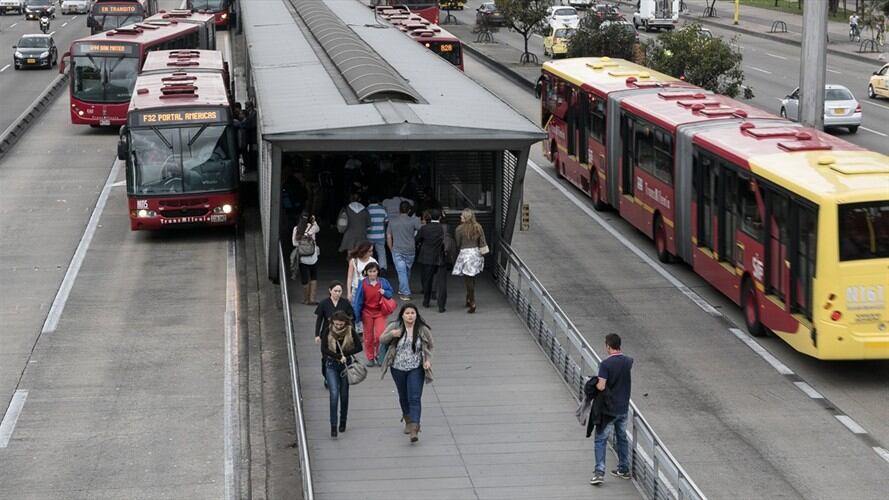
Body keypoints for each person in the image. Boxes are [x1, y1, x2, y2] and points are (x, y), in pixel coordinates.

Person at [380, 303, 434, 443]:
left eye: (413, 313)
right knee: (403, 395)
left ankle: (415, 428)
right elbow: (381, 339)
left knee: (414, 397)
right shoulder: (395, 326)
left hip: (416, 368)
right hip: (397, 368)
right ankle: (408, 420)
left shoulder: (422, 329)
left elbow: (430, 345)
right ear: (402, 315)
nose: (410, 316)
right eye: (407, 313)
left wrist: (427, 360)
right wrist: (392, 334)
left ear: (416, 315)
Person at [590, 333, 634, 486]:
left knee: (600, 439)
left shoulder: (605, 364)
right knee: (621, 437)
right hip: (623, 408)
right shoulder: (628, 361)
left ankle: (599, 472)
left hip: (609, 410)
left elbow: (601, 386)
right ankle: (623, 469)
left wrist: (594, 383)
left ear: (608, 346)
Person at [320, 311, 363, 439]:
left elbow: (359, 347)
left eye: (341, 324)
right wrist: (339, 356)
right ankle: (333, 426)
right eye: (336, 324)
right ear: (332, 322)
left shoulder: (350, 330)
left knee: (344, 394)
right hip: (331, 365)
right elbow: (324, 349)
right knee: (334, 394)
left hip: (346, 366)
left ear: (345, 323)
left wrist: (346, 354)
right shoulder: (328, 330)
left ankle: (343, 420)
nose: (338, 326)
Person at [352, 262, 395, 367]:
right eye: (370, 271)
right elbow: (358, 301)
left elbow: (391, 293)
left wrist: (384, 292)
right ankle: (370, 357)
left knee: (380, 336)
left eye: (374, 271)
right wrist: (356, 317)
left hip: (379, 312)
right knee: (368, 337)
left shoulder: (383, 282)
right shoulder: (362, 283)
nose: (372, 274)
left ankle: (380, 356)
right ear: (366, 272)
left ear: (378, 272)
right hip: (367, 313)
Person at [314, 281, 354, 387]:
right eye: (335, 291)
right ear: (330, 291)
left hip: (342, 334)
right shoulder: (324, 303)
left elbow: (351, 317)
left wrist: (351, 332)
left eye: (340, 291)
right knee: (326, 357)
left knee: (341, 356)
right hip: (327, 335)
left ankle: (338, 377)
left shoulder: (345, 303)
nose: (337, 293)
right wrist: (317, 335)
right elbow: (319, 319)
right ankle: (327, 377)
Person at [452, 208, 487, 314]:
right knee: (472, 277)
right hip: (476, 253)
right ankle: (469, 297)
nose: (460, 217)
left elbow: (457, 243)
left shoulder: (459, 229)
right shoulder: (478, 227)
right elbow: (483, 241)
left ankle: (472, 301)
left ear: (466, 217)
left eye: (462, 216)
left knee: (468, 279)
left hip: (465, 254)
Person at [415, 208, 448, 312]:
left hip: (427, 257)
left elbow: (416, 240)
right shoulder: (444, 228)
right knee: (442, 282)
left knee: (427, 280)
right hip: (440, 257)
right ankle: (441, 306)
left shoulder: (424, 228)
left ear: (430, 217)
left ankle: (426, 301)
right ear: (440, 217)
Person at [387, 201, 421, 300]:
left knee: (402, 271)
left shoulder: (392, 221)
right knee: (406, 270)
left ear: (399, 210)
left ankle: (405, 293)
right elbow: (422, 229)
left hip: (397, 249)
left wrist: (391, 248)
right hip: (410, 249)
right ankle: (403, 290)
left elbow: (389, 236)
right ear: (409, 210)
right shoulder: (414, 220)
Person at [293, 213, 321, 305]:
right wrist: (314, 221)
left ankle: (306, 299)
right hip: (313, 257)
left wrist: (302, 245)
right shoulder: (313, 228)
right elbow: (318, 228)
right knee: (314, 276)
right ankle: (312, 299)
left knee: (305, 278)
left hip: (302, 258)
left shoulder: (296, 229)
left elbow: (294, 243)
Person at [366, 195, 389, 273]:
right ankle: (382, 268)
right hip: (380, 235)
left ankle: (369, 268)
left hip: (369, 235)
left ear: (369, 201)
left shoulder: (366, 210)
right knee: (381, 252)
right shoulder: (382, 209)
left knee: (369, 252)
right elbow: (386, 221)